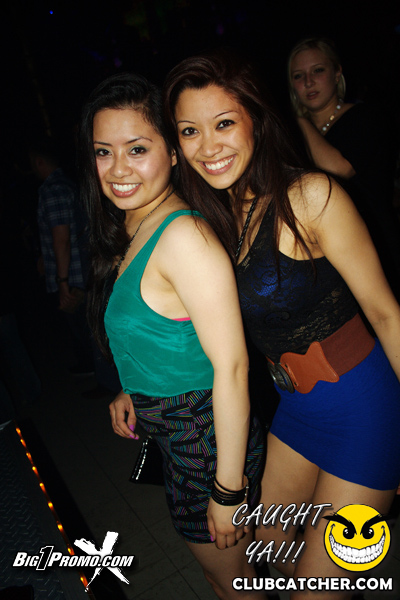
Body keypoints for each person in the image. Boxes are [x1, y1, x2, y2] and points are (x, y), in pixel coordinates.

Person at [163, 49, 400, 597]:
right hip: (295, 415)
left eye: (224, 123)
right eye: (190, 131)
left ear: (256, 120)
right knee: (266, 553)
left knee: (314, 588)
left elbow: (387, 313)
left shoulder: (311, 196)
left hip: (366, 412)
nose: (209, 146)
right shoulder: (213, 220)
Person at [78, 72, 265, 600]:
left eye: (137, 149)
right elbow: (158, 329)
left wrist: (228, 490)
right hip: (179, 443)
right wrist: (130, 389)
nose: (118, 169)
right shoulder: (134, 223)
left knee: (236, 586)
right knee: (221, 578)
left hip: (209, 446)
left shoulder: (183, 237)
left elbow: (232, 368)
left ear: (174, 153)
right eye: (103, 152)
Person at [287, 36, 400, 291]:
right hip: (323, 255)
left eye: (318, 70)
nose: (308, 82)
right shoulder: (292, 136)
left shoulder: (366, 117)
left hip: (374, 243)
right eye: (298, 76)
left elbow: (339, 170)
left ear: (337, 73)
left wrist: (299, 121)